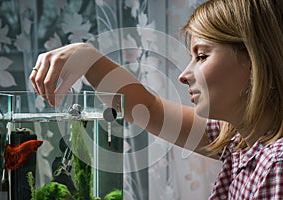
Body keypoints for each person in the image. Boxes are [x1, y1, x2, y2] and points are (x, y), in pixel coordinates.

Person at [30, 0, 283, 199]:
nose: (184, 75)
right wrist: (87, 57)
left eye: (202, 56)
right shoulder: (241, 140)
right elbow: (147, 107)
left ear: (253, 60)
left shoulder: (277, 166)